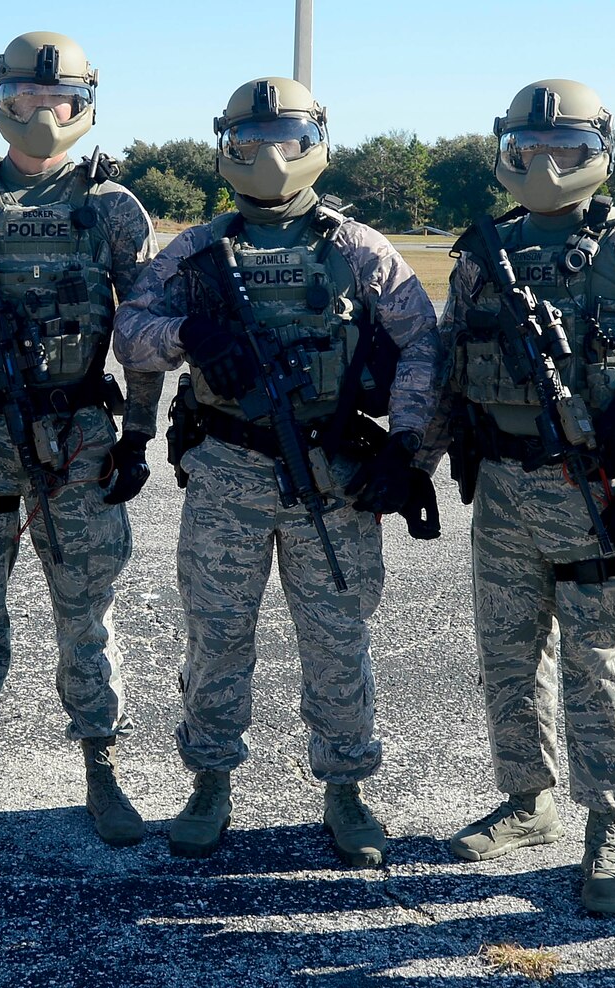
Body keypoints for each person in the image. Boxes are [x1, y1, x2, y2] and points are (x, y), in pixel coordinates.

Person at [114, 76, 442, 867]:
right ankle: (210, 780)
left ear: (318, 141)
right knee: (217, 635)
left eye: (289, 137)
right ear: (225, 147)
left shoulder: (359, 249)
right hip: (227, 471)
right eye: (251, 139)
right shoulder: (196, 252)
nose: (270, 155)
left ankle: (346, 787)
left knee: (337, 638)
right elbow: (130, 331)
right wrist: (188, 331)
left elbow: (423, 346)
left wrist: (407, 451)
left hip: (330, 475)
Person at [428, 79, 615, 917]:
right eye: (529, 149)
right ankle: (528, 800)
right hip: (504, 493)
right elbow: (448, 366)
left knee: (602, 666)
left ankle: (608, 828)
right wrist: (417, 458)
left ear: (602, 153)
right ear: (504, 149)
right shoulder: (483, 251)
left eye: (569, 150)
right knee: (508, 656)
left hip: (597, 494)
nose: (547, 165)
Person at [0, 32, 160, 846]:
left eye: (56, 100)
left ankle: (101, 763)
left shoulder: (114, 208)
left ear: (83, 104)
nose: (40, 113)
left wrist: (140, 431)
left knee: (86, 609)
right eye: (23, 98)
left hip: (79, 433)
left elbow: (145, 330)